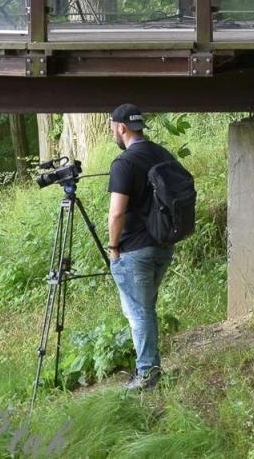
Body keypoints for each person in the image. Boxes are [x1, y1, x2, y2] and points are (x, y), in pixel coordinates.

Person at [107, 103, 178, 391]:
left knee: (139, 311)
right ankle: (149, 367)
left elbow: (116, 213)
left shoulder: (124, 163)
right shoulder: (162, 154)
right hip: (163, 244)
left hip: (135, 249)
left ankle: (148, 374)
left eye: (112, 127)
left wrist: (113, 247)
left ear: (121, 127)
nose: (113, 131)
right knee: (145, 307)